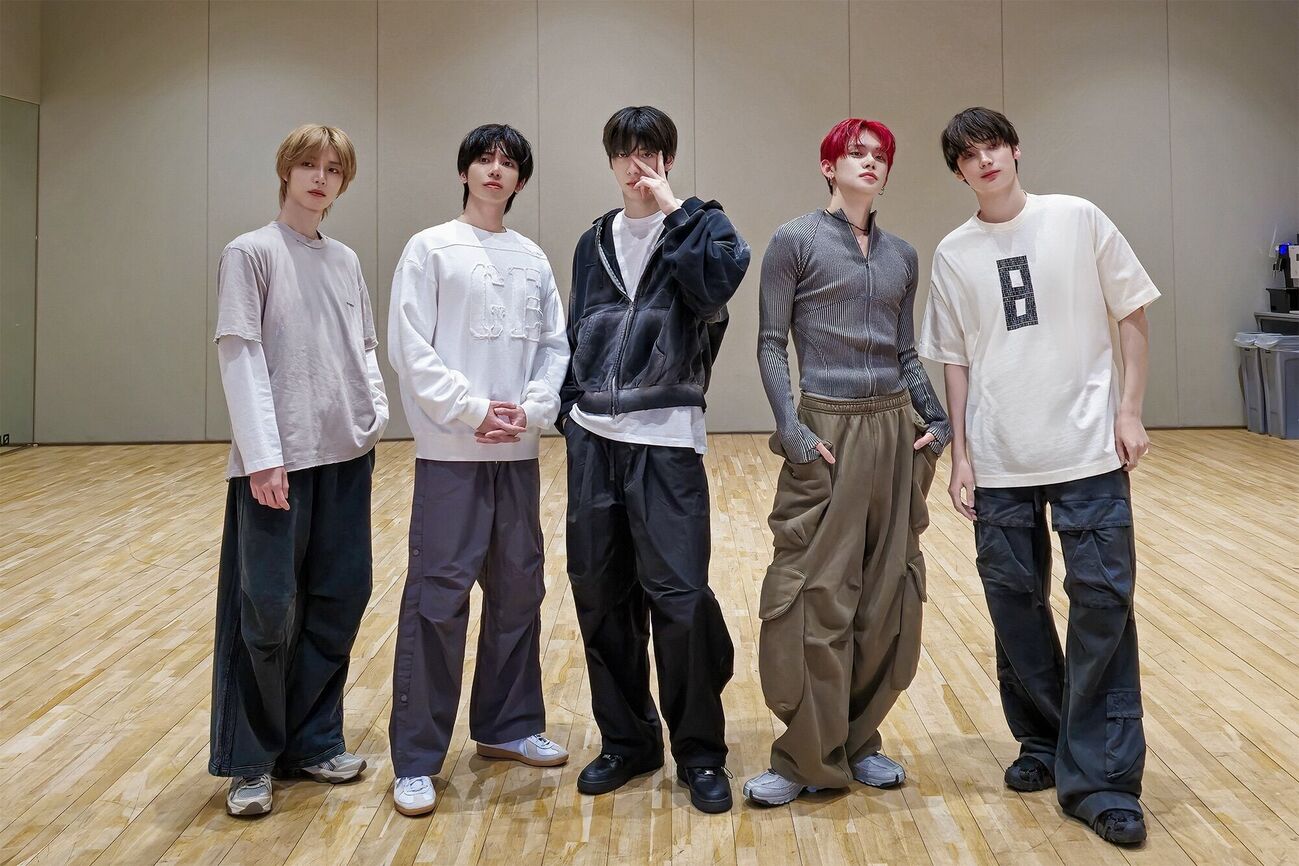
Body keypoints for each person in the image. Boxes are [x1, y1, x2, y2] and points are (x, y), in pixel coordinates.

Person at [918, 106, 1157, 846]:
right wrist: (961, 454)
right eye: (968, 155)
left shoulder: (1076, 218)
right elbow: (955, 361)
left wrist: (1128, 411)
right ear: (958, 172)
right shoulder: (953, 252)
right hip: (999, 457)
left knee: (1102, 603)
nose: (984, 160)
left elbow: (1132, 312)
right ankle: (1044, 740)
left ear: (1015, 150)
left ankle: (1104, 779)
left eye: (992, 146)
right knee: (1013, 606)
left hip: (1086, 449)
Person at [744, 118, 949, 806]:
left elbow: (906, 352)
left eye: (880, 155)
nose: (870, 162)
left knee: (886, 594)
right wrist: (792, 432)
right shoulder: (794, 241)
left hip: (895, 429)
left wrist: (938, 421)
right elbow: (771, 342)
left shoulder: (902, 255)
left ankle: (859, 741)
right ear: (828, 165)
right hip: (827, 428)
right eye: (855, 153)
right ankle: (804, 756)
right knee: (814, 595)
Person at [559, 105, 750, 814]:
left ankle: (699, 752)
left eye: (651, 152)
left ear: (668, 158)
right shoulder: (592, 241)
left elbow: (716, 286)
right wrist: (571, 409)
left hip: (666, 439)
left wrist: (676, 210)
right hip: (593, 438)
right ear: (610, 160)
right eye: (626, 153)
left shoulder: (703, 226)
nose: (637, 165)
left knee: (679, 598)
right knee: (600, 596)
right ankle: (628, 741)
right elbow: (578, 325)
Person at [386, 123, 570, 817]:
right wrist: (470, 410)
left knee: (520, 591)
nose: (495, 170)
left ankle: (507, 725)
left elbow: (554, 347)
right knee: (438, 601)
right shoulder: (430, 248)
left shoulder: (532, 257)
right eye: (483, 159)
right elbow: (411, 346)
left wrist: (531, 409)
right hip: (451, 454)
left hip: (516, 454)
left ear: (521, 179)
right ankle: (416, 758)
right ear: (464, 170)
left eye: (508, 162)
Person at [210, 123, 388, 816]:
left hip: (345, 457)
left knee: (341, 596)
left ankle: (312, 741)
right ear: (286, 171)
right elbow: (239, 353)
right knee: (266, 609)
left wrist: (373, 414)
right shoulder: (250, 253)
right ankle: (250, 760)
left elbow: (364, 345)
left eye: (333, 169)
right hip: (275, 467)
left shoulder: (344, 260)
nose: (320, 177)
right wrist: (263, 458)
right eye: (309, 165)